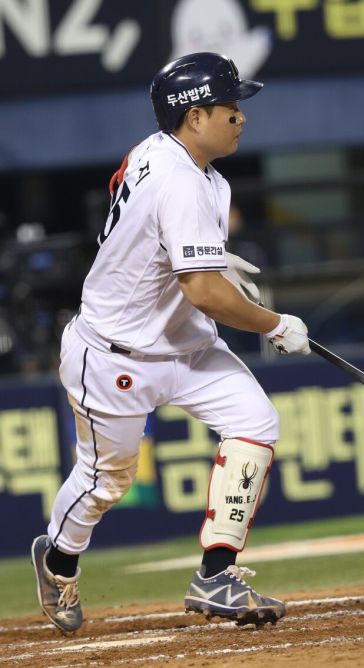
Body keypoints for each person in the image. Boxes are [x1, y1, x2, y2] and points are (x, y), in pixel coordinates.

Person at [30, 52, 311, 634]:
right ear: (195, 117)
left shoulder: (167, 155)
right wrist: (273, 324)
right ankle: (58, 560)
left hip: (185, 343)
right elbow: (203, 292)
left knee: (255, 422)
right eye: (229, 107)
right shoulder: (179, 179)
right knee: (108, 481)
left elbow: (156, 236)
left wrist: (206, 256)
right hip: (115, 354)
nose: (240, 117)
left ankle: (217, 573)